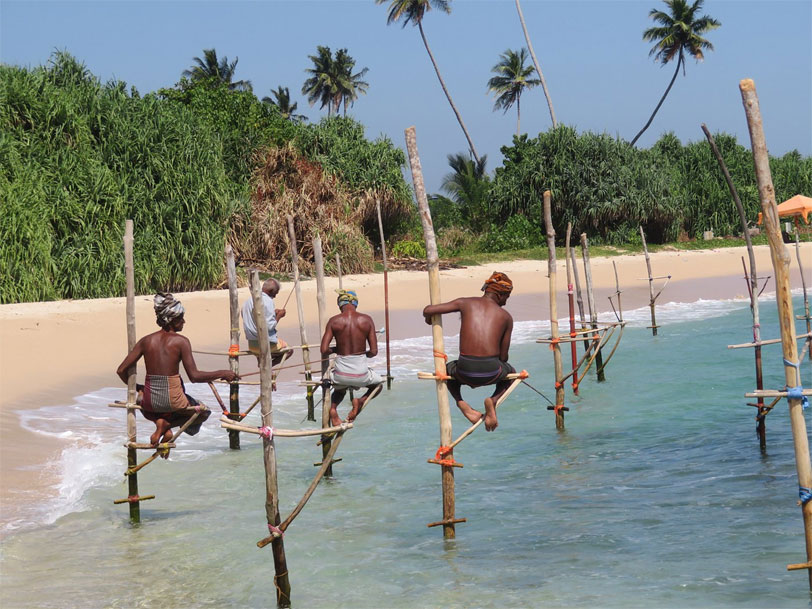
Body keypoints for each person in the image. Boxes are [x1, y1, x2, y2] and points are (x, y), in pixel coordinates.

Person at [116, 293, 236, 451]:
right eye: (181, 318)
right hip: (174, 400)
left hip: (150, 402)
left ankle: (161, 424)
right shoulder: (181, 342)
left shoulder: (146, 341)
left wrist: (139, 388)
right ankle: (166, 425)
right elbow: (194, 376)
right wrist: (223, 373)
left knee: (157, 409)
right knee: (204, 412)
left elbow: (121, 370)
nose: (184, 322)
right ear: (171, 320)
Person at [422, 271, 515, 432]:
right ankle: (493, 400)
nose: (505, 302)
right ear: (500, 295)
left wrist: (428, 318)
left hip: (464, 371)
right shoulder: (506, 317)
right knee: (511, 374)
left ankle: (460, 402)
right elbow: (504, 357)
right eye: (506, 297)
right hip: (491, 372)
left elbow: (428, 309)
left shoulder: (465, 303)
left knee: (446, 371)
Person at [320, 290, 382, 426]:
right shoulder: (366, 320)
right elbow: (373, 352)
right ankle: (361, 401)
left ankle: (333, 409)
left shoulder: (334, 321)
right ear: (355, 303)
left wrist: (337, 349)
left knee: (340, 388)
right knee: (378, 385)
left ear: (340, 304)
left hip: (341, 374)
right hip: (361, 374)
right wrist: (362, 354)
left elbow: (324, 350)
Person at [242, 278, 291, 368]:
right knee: (289, 350)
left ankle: (263, 363)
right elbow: (269, 327)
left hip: (252, 345)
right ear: (271, 291)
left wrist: (274, 313)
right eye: (275, 293)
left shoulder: (248, 301)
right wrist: (279, 316)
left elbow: (256, 318)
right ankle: (267, 366)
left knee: (266, 355)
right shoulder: (267, 301)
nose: (275, 296)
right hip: (265, 344)